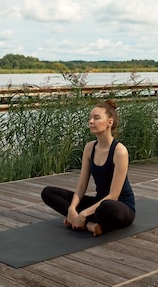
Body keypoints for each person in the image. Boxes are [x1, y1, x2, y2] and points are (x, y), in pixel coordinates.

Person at [41, 99, 135, 236]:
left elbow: (114, 196)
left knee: (107, 206)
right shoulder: (89, 148)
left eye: (96, 118)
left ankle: (83, 220)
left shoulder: (119, 151)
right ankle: (89, 225)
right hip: (98, 203)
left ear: (110, 122)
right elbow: (81, 186)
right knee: (48, 193)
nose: (91, 121)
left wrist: (83, 213)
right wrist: (72, 209)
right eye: (90, 118)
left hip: (119, 207)